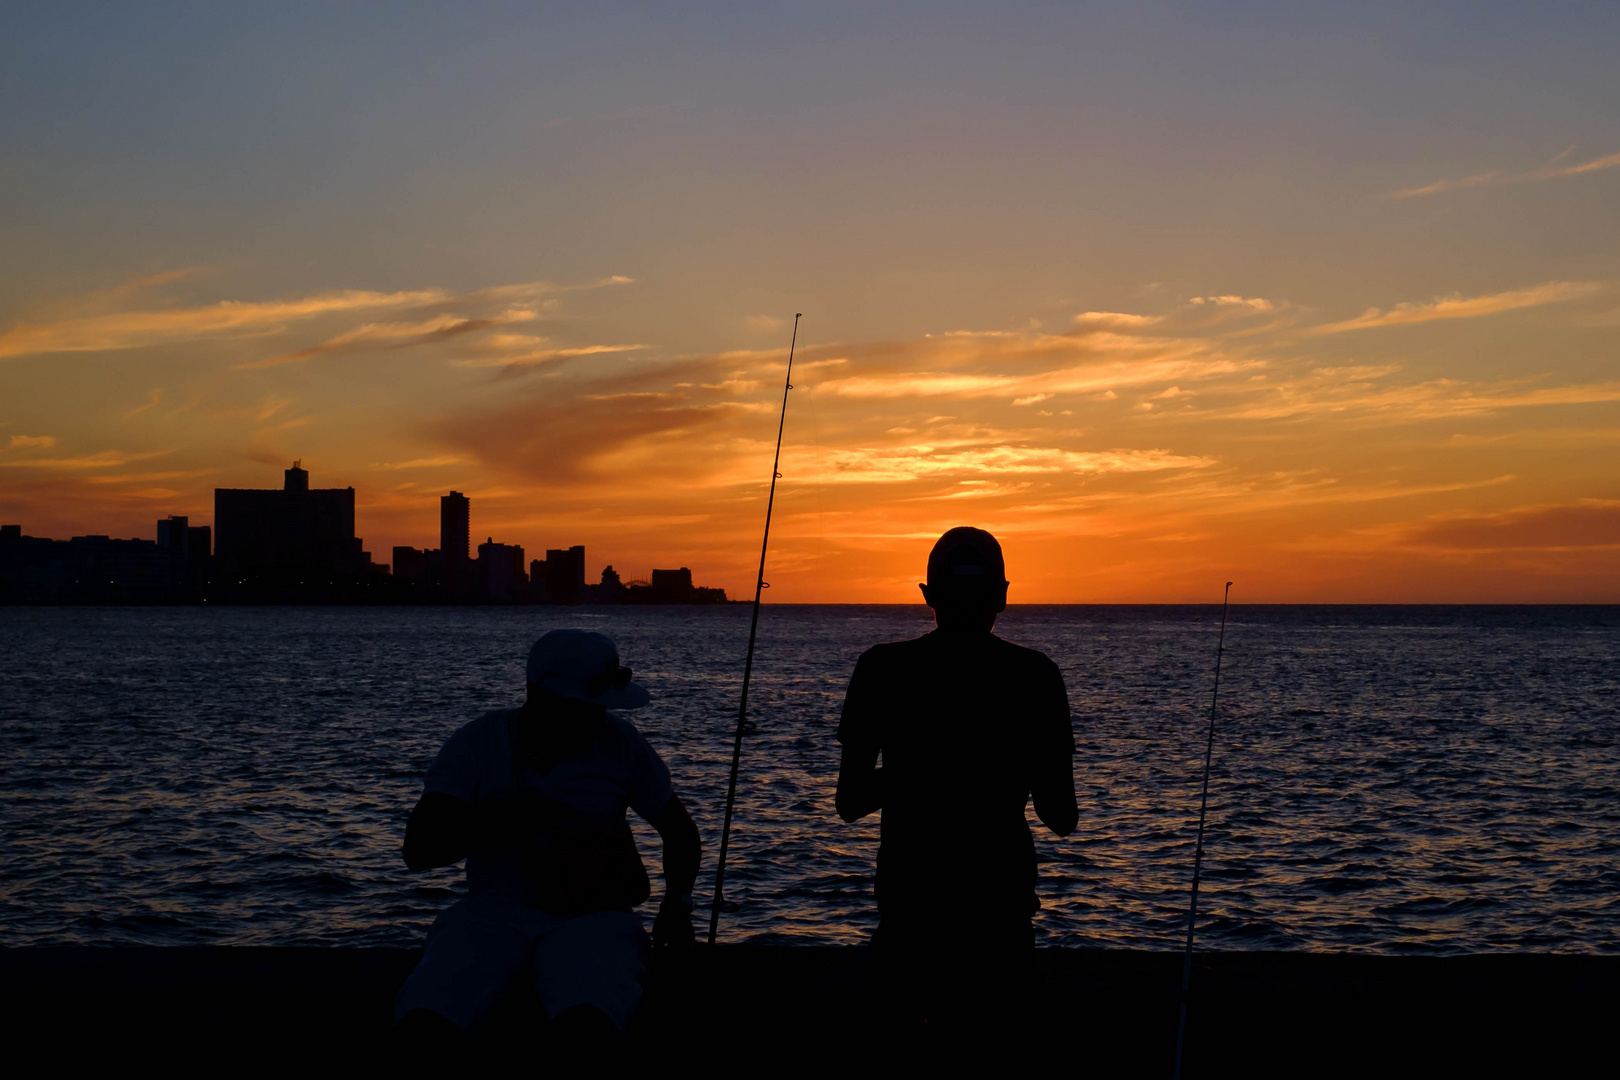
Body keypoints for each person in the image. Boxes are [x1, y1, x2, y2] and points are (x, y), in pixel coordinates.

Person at [394, 628, 701, 1050]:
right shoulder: (477, 742)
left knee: (589, 1019)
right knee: (429, 1014)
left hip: (597, 915)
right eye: (582, 708)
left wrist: (678, 904)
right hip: (491, 912)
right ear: (538, 696)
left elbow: (679, 831)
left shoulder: (621, 742)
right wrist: (508, 819)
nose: (597, 717)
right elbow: (419, 850)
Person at [835, 527, 1077, 1034]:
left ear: (928, 597)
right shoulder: (1037, 676)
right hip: (1000, 925)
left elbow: (851, 801)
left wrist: (915, 771)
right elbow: (1061, 817)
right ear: (1004, 596)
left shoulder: (881, 669)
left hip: (909, 921)